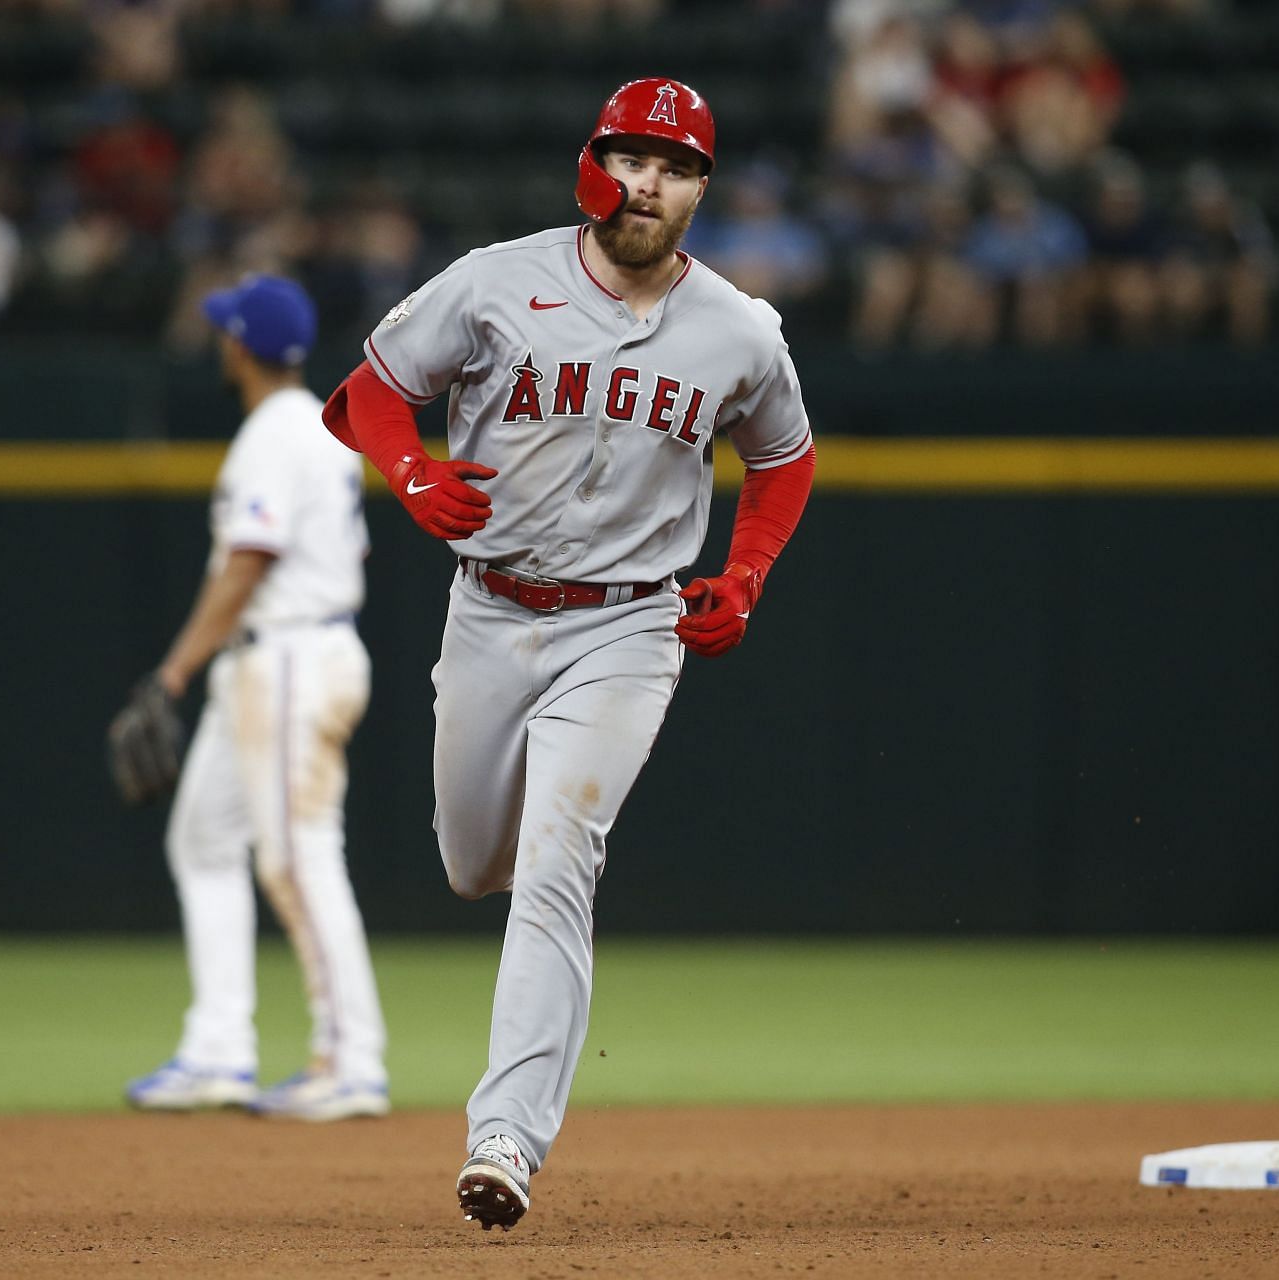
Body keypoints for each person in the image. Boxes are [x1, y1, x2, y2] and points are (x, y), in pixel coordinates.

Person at [320, 78, 816, 1231]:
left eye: (675, 165)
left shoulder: (738, 328)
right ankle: (509, 1080)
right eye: (629, 155)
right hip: (491, 609)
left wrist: (745, 573)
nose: (648, 181)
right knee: (471, 861)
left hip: (629, 624)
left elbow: (783, 457)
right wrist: (412, 474)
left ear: (701, 188)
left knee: (557, 859)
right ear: (593, 163)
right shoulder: (499, 279)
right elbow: (370, 394)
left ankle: (506, 1135)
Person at [120, 274, 390, 1122]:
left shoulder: (273, 435)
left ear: (240, 346)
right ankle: (219, 1051)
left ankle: (350, 1060)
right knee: (203, 838)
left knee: (297, 860)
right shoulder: (316, 427)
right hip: (284, 656)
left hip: (288, 659)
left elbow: (249, 561)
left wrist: (172, 671)